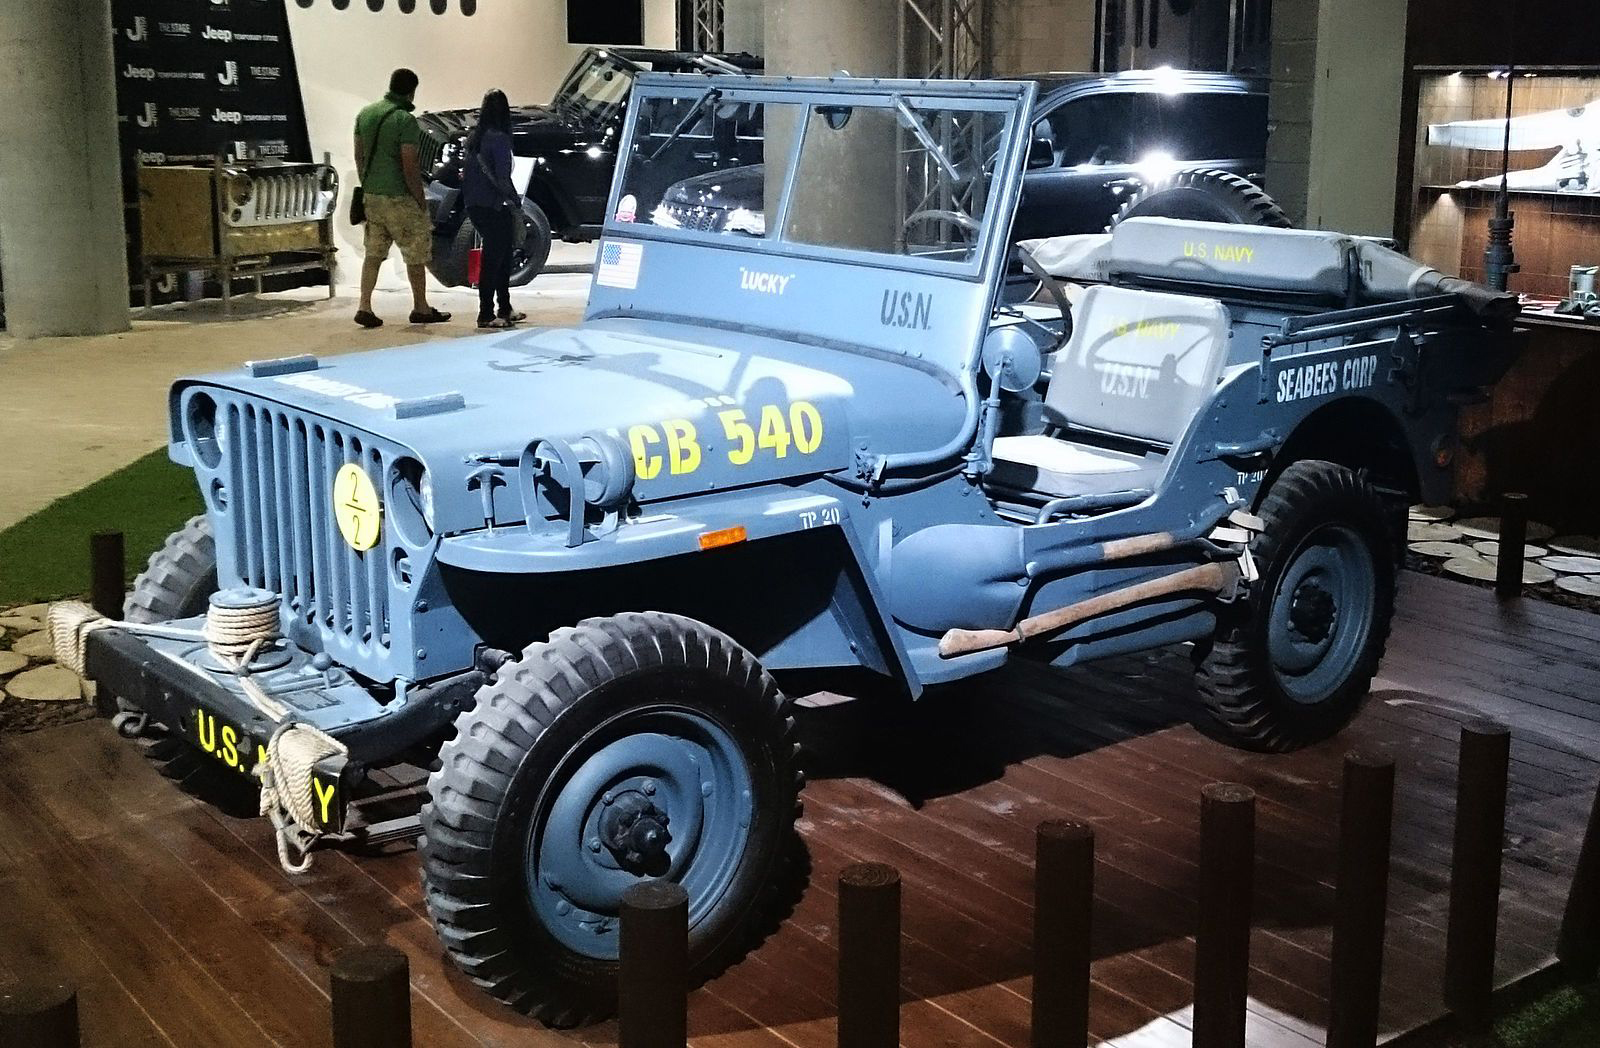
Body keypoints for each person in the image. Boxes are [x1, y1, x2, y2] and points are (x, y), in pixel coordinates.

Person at [352, 68, 450, 328]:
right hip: (400, 198)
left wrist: (368, 183)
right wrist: (420, 199)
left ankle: (364, 305)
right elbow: (409, 164)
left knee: (373, 253)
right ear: (411, 91)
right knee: (415, 253)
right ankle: (421, 307)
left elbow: (359, 155)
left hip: (373, 196)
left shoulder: (366, 114)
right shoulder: (405, 120)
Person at [461, 88, 527, 329]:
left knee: (500, 254)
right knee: (495, 260)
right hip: (494, 205)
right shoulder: (499, 139)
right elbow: (502, 178)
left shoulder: (475, 138)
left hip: (474, 204)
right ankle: (487, 313)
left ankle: (504, 307)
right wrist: (515, 200)